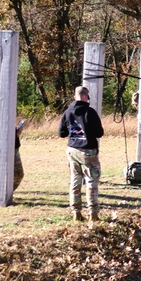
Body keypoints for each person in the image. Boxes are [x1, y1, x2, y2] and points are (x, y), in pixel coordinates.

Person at [58, 85, 105, 222]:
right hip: (88, 151)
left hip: (72, 150)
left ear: (75, 96)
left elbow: (61, 133)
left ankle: (76, 212)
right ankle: (93, 213)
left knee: (75, 180)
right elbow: (99, 133)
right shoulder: (90, 112)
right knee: (91, 182)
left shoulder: (67, 112)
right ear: (86, 96)